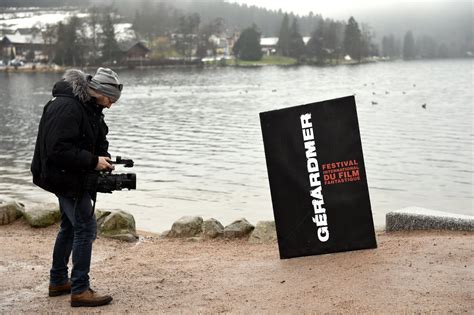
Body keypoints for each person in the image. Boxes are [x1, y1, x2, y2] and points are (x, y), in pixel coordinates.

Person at [31, 67, 123, 307]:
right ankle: (80, 290)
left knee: (70, 226)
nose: (110, 105)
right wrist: (93, 161)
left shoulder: (91, 107)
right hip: (61, 175)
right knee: (86, 228)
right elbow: (57, 149)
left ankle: (59, 281)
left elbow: (96, 139)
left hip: (69, 174)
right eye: (110, 99)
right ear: (99, 91)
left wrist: (103, 158)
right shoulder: (67, 107)